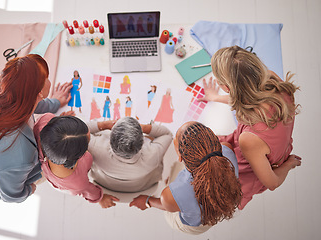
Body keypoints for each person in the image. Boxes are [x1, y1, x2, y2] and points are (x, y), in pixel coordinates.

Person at [198, 45, 302, 209]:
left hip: (255, 164)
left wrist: (288, 164)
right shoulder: (272, 80)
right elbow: (244, 94)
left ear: (227, 87)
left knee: (219, 193)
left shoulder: (249, 138)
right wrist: (215, 97)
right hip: (265, 147)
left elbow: (272, 182)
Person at [0, 54, 72, 203]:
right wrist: (31, 188)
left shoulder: (4, 89)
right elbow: (11, 195)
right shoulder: (20, 156)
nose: (49, 80)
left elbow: (31, 101)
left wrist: (55, 103)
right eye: (46, 77)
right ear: (39, 92)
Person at [129, 121, 242, 235]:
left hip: (198, 224)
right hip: (219, 205)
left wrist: (148, 201)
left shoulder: (171, 195)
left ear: (180, 157)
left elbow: (167, 205)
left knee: (173, 203)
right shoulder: (227, 150)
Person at [33, 113, 119, 208]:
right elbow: (89, 191)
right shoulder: (76, 182)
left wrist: (102, 125)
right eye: (87, 142)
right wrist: (100, 198)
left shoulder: (46, 119)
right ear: (79, 156)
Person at [87, 117, 173, 192]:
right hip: (142, 187)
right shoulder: (153, 153)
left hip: (104, 183)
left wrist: (103, 124)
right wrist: (144, 128)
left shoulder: (96, 147)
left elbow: (78, 131)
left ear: (110, 139)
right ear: (142, 141)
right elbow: (167, 134)